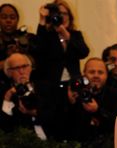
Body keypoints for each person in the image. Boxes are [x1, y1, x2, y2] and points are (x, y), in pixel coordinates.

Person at [34, 1, 89, 139]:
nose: (62, 17)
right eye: (58, 14)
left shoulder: (75, 35)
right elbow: (37, 51)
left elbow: (83, 52)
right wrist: (42, 20)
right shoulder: (47, 35)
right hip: (51, 88)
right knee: (53, 123)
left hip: (72, 87)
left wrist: (66, 35)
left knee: (73, 123)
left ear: (70, 17)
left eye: (65, 14)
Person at [67, 57, 117, 142]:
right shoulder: (76, 93)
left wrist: (97, 111)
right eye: (91, 72)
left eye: (100, 72)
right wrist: (70, 103)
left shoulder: (115, 94)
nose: (96, 75)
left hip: (107, 146)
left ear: (106, 75)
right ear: (84, 74)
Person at [0, 52, 54, 138]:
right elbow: (5, 128)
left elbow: (55, 117)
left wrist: (34, 113)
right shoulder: (5, 93)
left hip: (50, 138)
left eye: (24, 66)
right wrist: (7, 99)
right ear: (9, 72)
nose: (21, 72)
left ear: (30, 68)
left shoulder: (45, 88)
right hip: (22, 142)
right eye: (16, 68)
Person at [0, 3, 37, 71]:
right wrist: (10, 59)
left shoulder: (29, 38)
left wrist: (22, 54)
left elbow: (38, 62)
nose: (8, 20)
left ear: (17, 20)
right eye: (4, 17)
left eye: (12, 17)